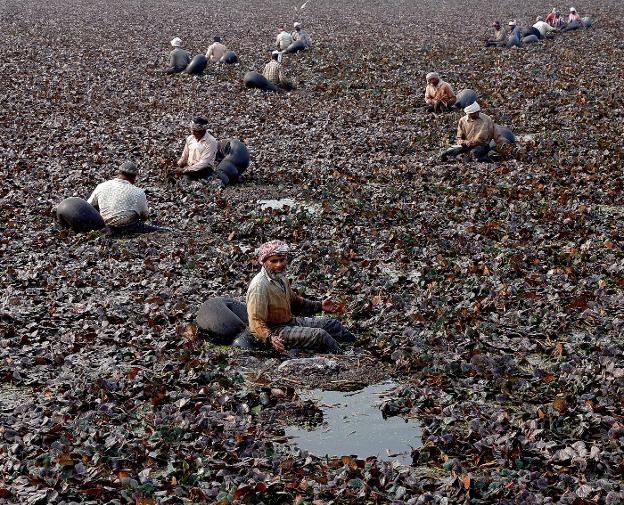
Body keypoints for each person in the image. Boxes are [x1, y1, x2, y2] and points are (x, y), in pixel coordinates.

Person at [246, 240, 357, 354]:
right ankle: (344, 357)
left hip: (289, 321)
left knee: (333, 325)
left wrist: (320, 306)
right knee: (320, 335)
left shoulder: (280, 278)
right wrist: (270, 338)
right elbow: (256, 321)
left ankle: (356, 347)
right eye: (273, 261)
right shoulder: (259, 286)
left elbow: (295, 303)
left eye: (282, 260)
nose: (279, 265)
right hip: (276, 331)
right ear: (264, 262)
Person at [88, 162, 165, 235]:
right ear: (134, 177)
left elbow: (88, 206)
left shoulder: (101, 186)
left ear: (119, 173)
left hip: (105, 226)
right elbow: (144, 216)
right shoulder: (139, 192)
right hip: (128, 228)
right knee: (163, 230)